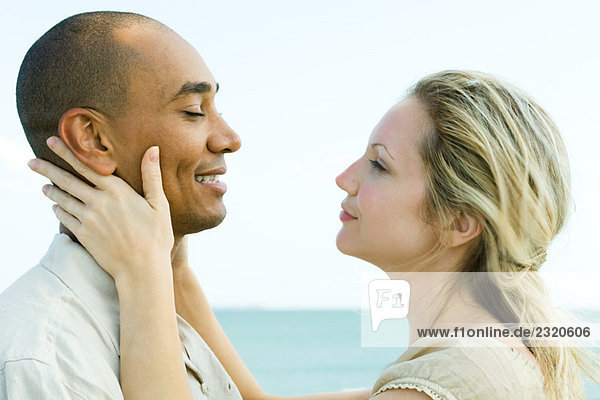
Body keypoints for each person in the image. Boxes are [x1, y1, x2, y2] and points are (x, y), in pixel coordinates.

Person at [30, 70, 600, 399]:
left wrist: (140, 273)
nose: (344, 177)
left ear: (460, 221)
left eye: (379, 164)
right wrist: (174, 267)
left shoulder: (456, 377)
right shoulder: (495, 348)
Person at [3, 10, 370, 400]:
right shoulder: (50, 361)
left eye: (217, 109)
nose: (230, 138)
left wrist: (164, 263)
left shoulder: (158, 299)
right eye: (194, 110)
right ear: (91, 138)